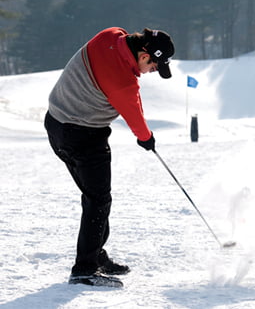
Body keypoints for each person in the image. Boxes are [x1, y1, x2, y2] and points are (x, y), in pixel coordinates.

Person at [44, 27, 175, 287]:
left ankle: (95, 255)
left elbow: (119, 60)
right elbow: (136, 119)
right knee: (98, 200)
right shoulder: (123, 83)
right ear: (145, 54)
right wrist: (147, 138)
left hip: (55, 124)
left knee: (95, 197)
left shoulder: (110, 35)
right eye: (154, 67)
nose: (151, 72)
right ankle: (84, 269)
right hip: (83, 137)